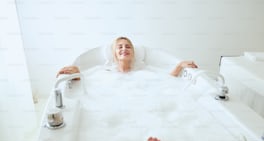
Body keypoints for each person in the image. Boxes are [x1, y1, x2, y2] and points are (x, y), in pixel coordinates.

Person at [56, 36, 198, 78]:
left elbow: (167, 80)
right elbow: (87, 83)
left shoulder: (144, 70)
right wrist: (75, 73)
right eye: (120, 47)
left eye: (128, 46)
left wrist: (179, 65)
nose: (124, 48)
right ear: (115, 55)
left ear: (133, 53)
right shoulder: (105, 71)